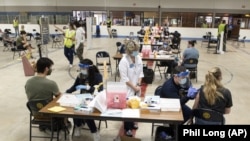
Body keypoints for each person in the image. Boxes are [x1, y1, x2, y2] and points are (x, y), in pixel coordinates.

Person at [66, 58, 102, 141]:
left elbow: (100, 90)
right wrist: (67, 92)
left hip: (94, 98)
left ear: (90, 68)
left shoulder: (97, 76)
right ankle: (78, 125)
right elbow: (75, 86)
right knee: (75, 109)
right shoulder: (80, 76)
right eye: (81, 68)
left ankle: (94, 131)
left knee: (85, 112)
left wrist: (88, 88)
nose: (82, 70)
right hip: (83, 97)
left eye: (84, 68)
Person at [25, 57, 63, 131]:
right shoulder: (51, 83)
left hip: (35, 113)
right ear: (46, 69)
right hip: (48, 113)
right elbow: (59, 97)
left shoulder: (28, 82)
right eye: (50, 68)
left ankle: (42, 125)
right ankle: (62, 126)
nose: (51, 69)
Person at [118, 40, 144, 137]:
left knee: (135, 106)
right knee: (127, 109)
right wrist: (134, 87)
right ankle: (127, 128)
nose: (135, 54)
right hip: (127, 88)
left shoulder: (138, 58)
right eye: (133, 52)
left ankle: (133, 122)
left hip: (136, 86)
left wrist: (138, 85)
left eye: (136, 51)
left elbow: (140, 73)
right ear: (128, 52)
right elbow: (125, 79)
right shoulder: (123, 61)